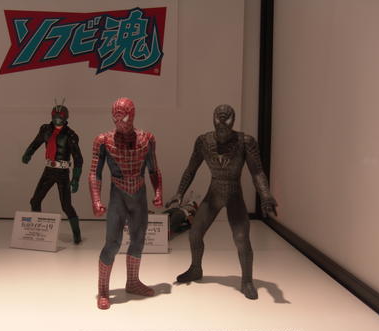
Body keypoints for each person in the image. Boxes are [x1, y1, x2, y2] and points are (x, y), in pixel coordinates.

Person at [166, 104, 277, 299]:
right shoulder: (203, 141)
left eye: (227, 118)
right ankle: (196, 268)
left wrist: (266, 195)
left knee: (241, 238)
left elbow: (257, 172)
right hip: (214, 193)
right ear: (213, 119)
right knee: (195, 233)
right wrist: (179, 193)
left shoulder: (245, 142)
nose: (223, 123)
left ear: (234, 120)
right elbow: (191, 169)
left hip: (234, 194)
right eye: (219, 118)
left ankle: (247, 281)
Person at [88, 97, 163, 309]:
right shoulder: (103, 140)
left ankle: (133, 281)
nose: (120, 123)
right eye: (116, 118)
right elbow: (94, 172)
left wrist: (158, 191)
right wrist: (96, 199)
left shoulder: (147, 139)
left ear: (133, 115)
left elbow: (154, 169)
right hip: (118, 195)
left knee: (138, 239)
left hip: (139, 194)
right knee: (112, 243)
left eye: (124, 118)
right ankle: (103, 290)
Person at [22, 100, 83, 244]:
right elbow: (36, 143)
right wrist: (28, 153)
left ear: (66, 117)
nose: (57, 119)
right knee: (35, 200)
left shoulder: (70, 135)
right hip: (49, 170)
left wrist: (75, 178)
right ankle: (37, 231)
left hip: (62, 172)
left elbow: (78, 158)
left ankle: (77, 234)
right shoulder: (45, 130)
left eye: (60, 116)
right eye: (55, 116)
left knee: (66, 206)